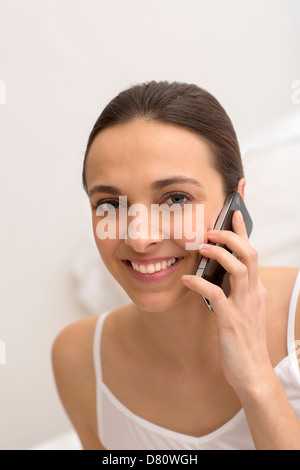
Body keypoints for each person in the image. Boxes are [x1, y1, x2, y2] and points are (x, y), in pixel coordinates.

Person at [52, 81, 300, 450]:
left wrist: (255, 378)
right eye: (110, 204)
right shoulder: (78, 358)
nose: (139, 238)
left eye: (176, 198)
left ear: (236, 203)